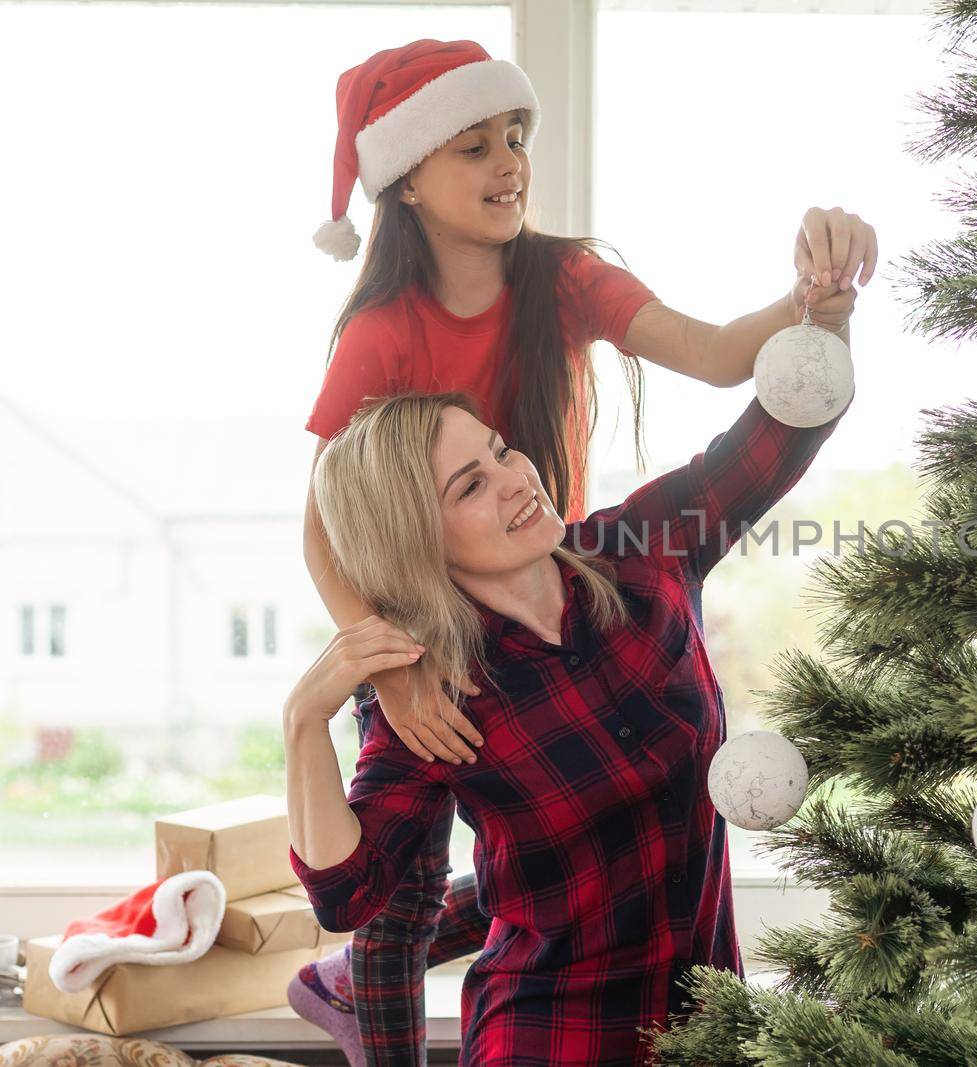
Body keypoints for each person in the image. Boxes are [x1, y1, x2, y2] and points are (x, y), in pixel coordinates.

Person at [289, 36, 870, 1064]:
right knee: (402, 901)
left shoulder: (635, 552)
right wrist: (372, 668)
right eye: (472, 146)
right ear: (408, 181)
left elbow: (757, 406)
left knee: (582, 835)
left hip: (699, 1016)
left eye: (515, 135)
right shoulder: (383, 336)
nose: (508, 160)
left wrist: (817, 310)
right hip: (432, 643)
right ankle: (355, 995)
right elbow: (329, 525)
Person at [284, 379, 852, 1065]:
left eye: (501, 452)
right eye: (470, 486)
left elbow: (780, 436)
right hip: (551, 1040)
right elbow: (346, 894)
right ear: (415, 541)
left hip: (708, 1029)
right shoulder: (431, 692)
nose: (516, 480)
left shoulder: (642, 548)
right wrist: (303, 722)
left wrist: (823, 312)